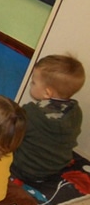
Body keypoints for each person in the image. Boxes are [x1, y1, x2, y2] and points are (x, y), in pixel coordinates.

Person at [11, 54, 85, 183]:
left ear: (47, 93)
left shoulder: (32, 113)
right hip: (55, 167)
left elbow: (8, 132)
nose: (31, 84)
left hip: (25, 169)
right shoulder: (75, 110)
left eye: (33, 82)